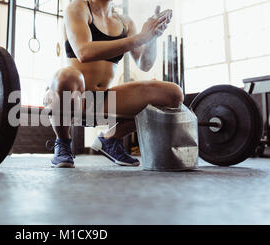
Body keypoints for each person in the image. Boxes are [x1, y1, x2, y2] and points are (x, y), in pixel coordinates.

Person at [44, 0, 184, 168]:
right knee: (67, 75)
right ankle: (63, 142)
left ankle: (109, 139)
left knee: (172, 94)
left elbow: (144, 63)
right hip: (74, 96)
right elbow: (84, 52)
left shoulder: (125, 22)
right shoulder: (78, 7)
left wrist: (152, 38)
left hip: (104, 101)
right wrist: (139, 38)